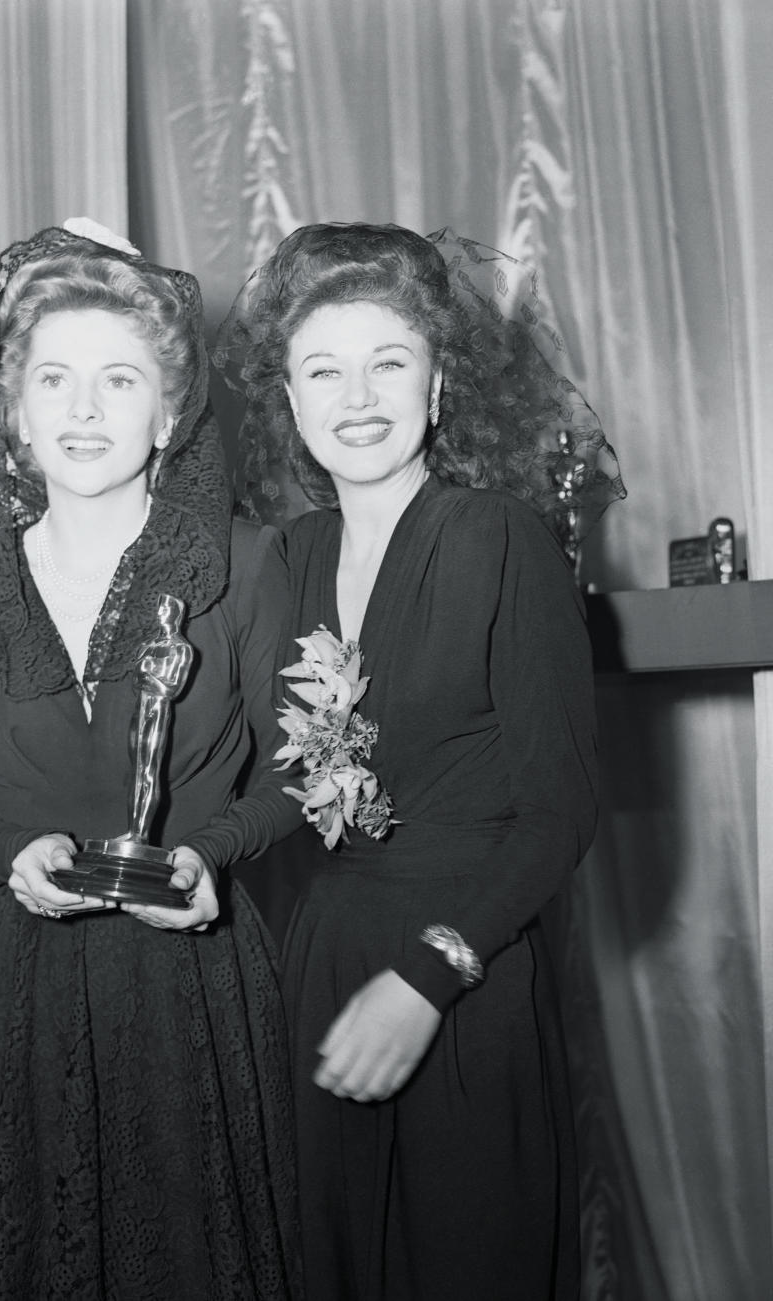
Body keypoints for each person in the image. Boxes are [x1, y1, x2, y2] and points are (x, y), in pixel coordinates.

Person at [213, 221, 626, 1301]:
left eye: (388, 361)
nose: (358, 395)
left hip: (467, 974)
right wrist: (190, 861)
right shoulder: (291, 556)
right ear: (291, 404)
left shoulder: (502, 538)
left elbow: (559, 812)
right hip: (322, 972)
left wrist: (431, 973)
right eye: (323, 369)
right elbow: (294, 788)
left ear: (439, 385)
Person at [0, 220, 303, 1300]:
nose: (84, 411)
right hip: (20, 987)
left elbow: (298, 776)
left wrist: (210, 853)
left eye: (118, 379)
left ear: (168, 411)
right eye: (55, 380)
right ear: (14, 414)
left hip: (197, 984)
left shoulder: (250, 561)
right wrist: (2, 851)